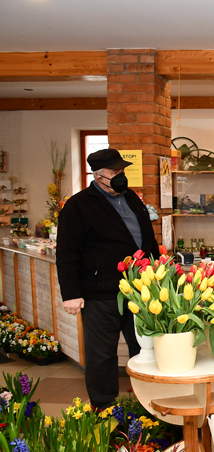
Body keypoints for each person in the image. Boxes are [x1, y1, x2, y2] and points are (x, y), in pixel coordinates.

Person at [57, 148, 158, 409]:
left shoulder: (132, 198)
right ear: (98, 176)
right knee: (101, 354)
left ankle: (150, 403)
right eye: (115, 173)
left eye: (122, 172)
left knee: (146, 349)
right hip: (100, 293)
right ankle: (103, 408)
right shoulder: (78, 205)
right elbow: (67, 253)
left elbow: (148, 238)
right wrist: (70, 294)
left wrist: (158, 270)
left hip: (140, 291)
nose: (120, 177)